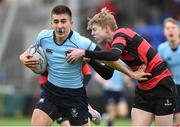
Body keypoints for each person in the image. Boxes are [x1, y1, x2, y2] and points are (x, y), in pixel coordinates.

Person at [66, 8, 177, 126]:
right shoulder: (110, 46)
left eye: (94, 30)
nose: (92, 33)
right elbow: (107, 74)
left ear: (107, 28)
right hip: (144, 89)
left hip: (162, 85)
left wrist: (84, 52)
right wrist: (90, 60)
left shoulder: (122, 34)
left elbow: (114, 56)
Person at [19, 5, 116, 126]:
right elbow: (29, 52)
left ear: (71, 23)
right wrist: (22, 58)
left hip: (74, 96)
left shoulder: (81, 42)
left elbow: (109, 62)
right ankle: (88, 110)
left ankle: (88, 110)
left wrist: (130, 73)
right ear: (51, 23)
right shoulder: (43, 36)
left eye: (63, 21)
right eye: (56, 21)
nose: (59, 25)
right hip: (51, 93)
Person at [158, 17, 180, 125]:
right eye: (167, 28)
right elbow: (161, 69)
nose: (170, 30)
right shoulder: (162, 48)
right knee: (177, 115)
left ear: (178, 30)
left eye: (173, 27)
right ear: (164, 32)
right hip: (175, 86)